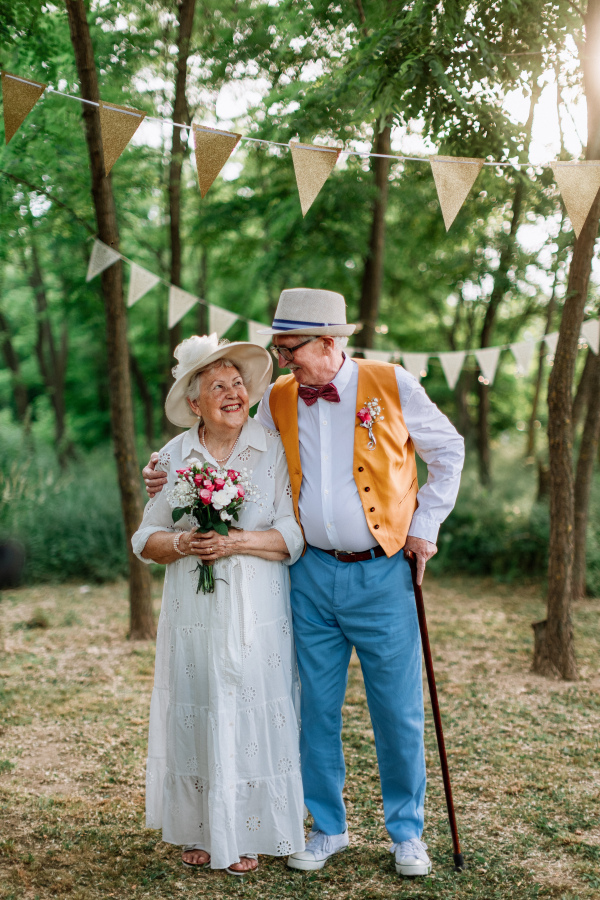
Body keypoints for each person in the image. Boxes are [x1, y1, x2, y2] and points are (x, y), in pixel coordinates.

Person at [144, 288, 464, 878]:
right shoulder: (281, 399)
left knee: (396, 710)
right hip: (309, 573)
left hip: (384, 569)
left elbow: (449, 451)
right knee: (313, 708)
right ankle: (328, 826)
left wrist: (425, 528)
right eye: (280, 347)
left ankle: (406, 833)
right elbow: (232, 447)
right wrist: (165, 471)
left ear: (328, 340)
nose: (282, 359)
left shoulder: (393, 383)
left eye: (288, 347)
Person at [132, 333, 305, 875]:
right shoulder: (173, 456)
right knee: (200, 707)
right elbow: (145, 538)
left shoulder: (271, 448)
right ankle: (202, 828)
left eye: (238, 384)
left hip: (257, 609)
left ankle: (249, 830)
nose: (233, 394)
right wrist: (185, 543)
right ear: (194, 403)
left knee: (251, 707)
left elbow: (290, 535)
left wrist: (231, 543)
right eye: (218, 387)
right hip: (193, 613)